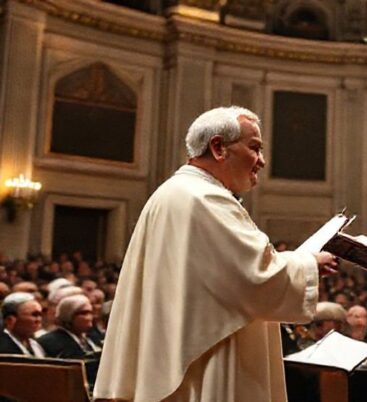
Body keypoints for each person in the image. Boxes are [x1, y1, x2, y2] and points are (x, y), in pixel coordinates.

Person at [93, 106, 338, 402]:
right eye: (254, 148)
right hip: (210, 357)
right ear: (219, 147)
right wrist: (309, 262)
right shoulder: (204, 198)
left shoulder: (176, 192)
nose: (261, 161)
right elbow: (254, 277)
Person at [0, 292, 45, 357]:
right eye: (34, 315)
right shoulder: (2, 347)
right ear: (10, 320)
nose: (39, 320)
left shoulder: (36, 345)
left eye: (40, 315)